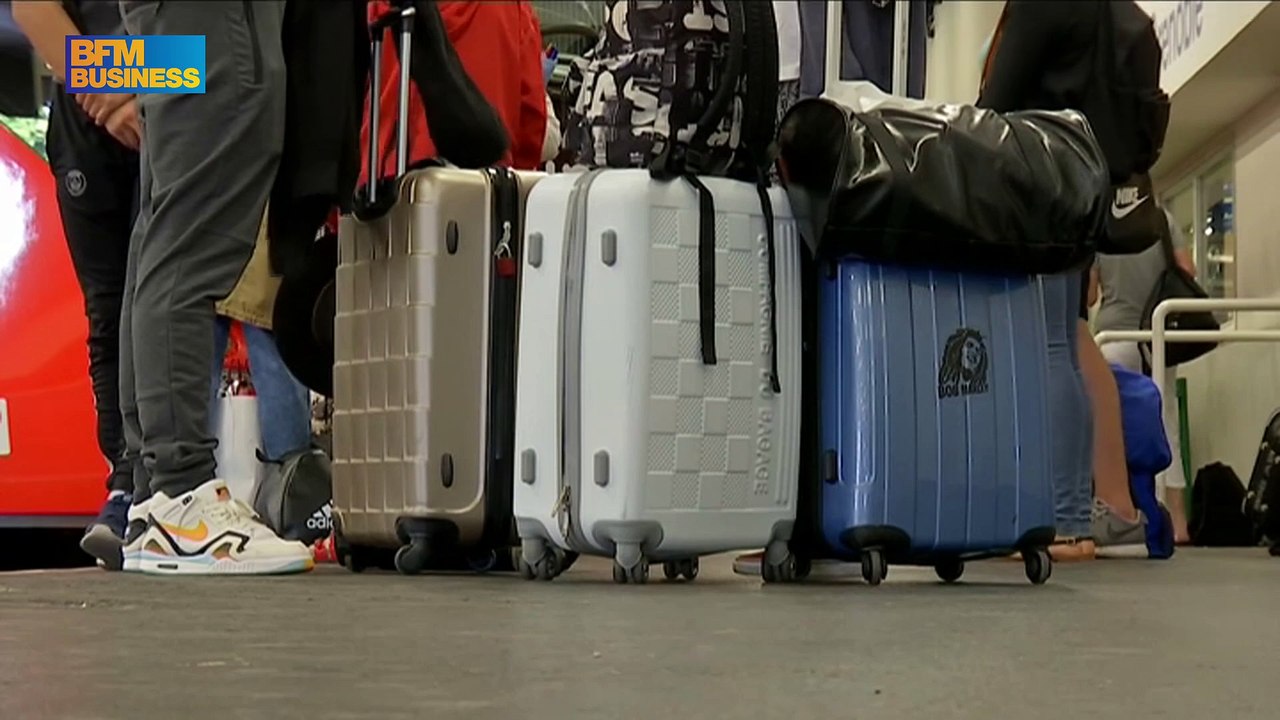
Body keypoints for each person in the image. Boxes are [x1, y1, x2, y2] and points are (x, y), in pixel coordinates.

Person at [113, 0, 312, 575]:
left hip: (194, 28)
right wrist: (93, 74)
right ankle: (178, 496)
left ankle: (153, 491)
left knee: (166, 238)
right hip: (213, 23)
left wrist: (104, 72)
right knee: (185, 249)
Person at [978, 0, 1154, 559]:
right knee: (1068, 341)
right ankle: (1075, 515)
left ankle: (1059, 519)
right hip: (1084, 188)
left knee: (1050, 346)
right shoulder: (1112, 10)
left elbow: (996, 105)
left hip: (1042, 187)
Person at [12, 0, 141, 567]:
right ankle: (126, 484)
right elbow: (32, 7)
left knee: (174, 298)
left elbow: (212, 46)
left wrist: (126, 81)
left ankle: (178, 481)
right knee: (110, 311)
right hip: (91, 120)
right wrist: (108, 92)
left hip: (176, 107)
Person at [1092, 207, 1195, 545]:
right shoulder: (1162, 219)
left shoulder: (1098, 221)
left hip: (1114, 335)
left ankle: (1122, 510)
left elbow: (1090, 293)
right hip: (1158, 331)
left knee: (1112, 426)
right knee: (1165, 425)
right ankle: (1177, 522)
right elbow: (1187, 270)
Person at [209, 209, 312, 467]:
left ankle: (187, 484)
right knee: (274, 357)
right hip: (263, 223)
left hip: (202, 226)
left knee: (194, 369)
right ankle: (291, 482)